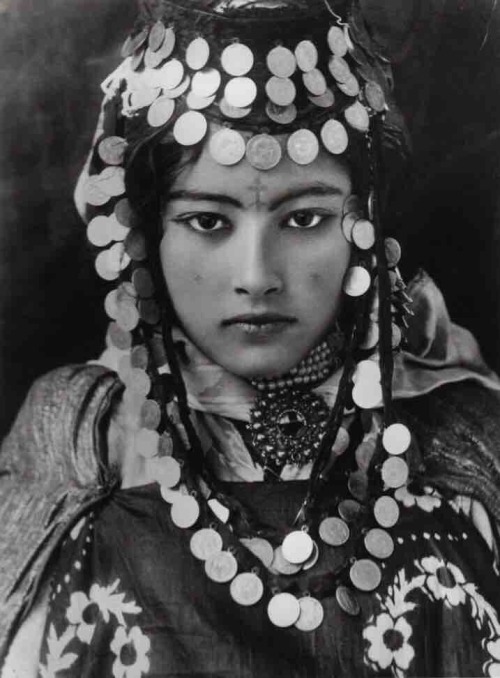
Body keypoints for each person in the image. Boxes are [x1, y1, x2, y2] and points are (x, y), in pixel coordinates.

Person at [1, 0, 500, 676]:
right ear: (147, 235)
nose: (257, 277)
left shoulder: (467, 448)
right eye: (208, 221)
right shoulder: (79, 448)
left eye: (304, 220)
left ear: (364, 225)